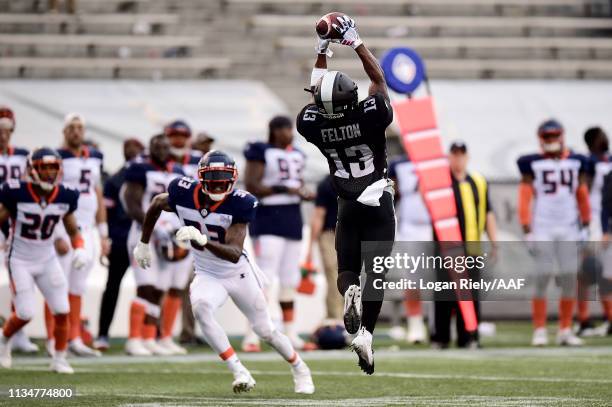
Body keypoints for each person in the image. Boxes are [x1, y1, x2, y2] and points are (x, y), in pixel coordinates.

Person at [132, 150, 314, 394]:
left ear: (233, 178)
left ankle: (300, 368)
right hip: (207, 272)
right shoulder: (183, 192)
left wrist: (203, 241)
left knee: (265, 330)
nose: (218, 183)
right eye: (213, 177)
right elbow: (156, 203)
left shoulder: (241, 202)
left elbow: (234, 252)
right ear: (201, 178)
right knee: (201, 308)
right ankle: (239, 370)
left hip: (238, 273)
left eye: (223, 178)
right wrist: (143, 243)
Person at [296, 14, 395, 374]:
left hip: (347, 204)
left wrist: (322, 48)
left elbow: (317, 91)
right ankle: (366, 333)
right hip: (378, 200)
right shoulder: (370, 114)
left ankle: (350, 291)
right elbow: (379, 80)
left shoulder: (312, 124)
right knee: (378, 273)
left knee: (346, 271)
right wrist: (354, 42)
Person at [0, 148, 89, 373]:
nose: (49, 172)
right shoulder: (16, 192)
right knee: (25, 313)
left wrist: (80, 248)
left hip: (47, 258)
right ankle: (3, 339)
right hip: (19, 259)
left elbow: (72, 229)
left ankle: (59, 358)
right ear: (32, 170)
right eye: (44, 167)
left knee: (62, 308)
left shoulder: (64, 195)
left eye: (53, 167)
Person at [242, 116, 315, 351]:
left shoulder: (298, 154)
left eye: (290, 129)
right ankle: (252, 334)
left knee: (290, 279)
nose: (289, 133)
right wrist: (284, 188)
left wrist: (302, 192)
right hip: (267, 217)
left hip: (292, 217)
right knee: (265, 277)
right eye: (284, 129)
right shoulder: (260, 150)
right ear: (274, 131)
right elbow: (252, 184)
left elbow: (299, 182)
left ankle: (290, 332)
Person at [517, 119, 588, 346]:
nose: (551, 141)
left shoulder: (577, 161)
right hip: (544, 227)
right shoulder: (532, 163)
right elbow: (524, 197)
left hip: (568, 227)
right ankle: (539, 329)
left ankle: (565, 329)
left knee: (569, 277)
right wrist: (527, 229)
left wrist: (586, 225)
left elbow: (582, 193)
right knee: (542, 276)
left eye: (554, 136)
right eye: (547, 137)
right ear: (540, 139)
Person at [46, 113, 109, 357]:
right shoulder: (56, 158)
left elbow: (98, 195)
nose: (75, 132)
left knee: (77, 286)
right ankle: (54, 339)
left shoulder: (93, 157)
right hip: (63, 226)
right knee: (56, 284)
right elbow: (48, 195)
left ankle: (72, 338)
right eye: (71, 127)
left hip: (87, 229)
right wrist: (53, 234)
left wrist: (103, 234)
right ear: (64, 131)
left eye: (79, 127)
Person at [122, 134, 186, 356]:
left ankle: (150, 338)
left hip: (168, 237)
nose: (161, 150)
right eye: (157, 146)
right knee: (145, 286)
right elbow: (131, 204)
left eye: (165, 146)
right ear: (150, 148)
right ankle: (133, 338)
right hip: (144, 236)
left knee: (159, 289)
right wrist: (154, 227)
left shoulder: (177, 170)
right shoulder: (139, 169)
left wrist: (176, 230)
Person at [430, 141, 497, 349]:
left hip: (472, 248)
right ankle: (440, 338)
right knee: (444, 293)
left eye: (461, 155)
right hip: (445, 247)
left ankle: (468, 336)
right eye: (454, 155)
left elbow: (488, 212)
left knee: (470, 295)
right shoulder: (441, 182)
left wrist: (495, 243)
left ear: (467, 157)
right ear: (449, 157)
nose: (458, 159)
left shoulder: (478, 181)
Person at [93, 138, 144, 351]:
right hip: (126, 238)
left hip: (137, 237)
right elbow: (107, 212)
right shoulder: (116, 180)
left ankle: (145, 335)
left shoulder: (143, 175)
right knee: (115, 287)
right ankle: (104, 334)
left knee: (147, 288)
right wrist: (108, 238)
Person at [0, 106, 39, 354]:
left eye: (6, 130)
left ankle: (18, 332)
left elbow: (30, 185)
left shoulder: (23, 155)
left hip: (14, 223)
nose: (3, 135)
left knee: (21, 280)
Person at [388, 155, 431, 344]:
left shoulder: (436, 161)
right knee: (412, 279)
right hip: (410, 228)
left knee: (444, 278)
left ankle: (445, 324)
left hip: (434, 226)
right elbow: (391, 193)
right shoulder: (399, 165)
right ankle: (415, 324)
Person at [305, 175, 343, 322]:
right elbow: (319, 215)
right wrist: (310, 247)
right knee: (335, 276)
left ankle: (343, 317)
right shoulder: (327, 184)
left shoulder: (360, 180)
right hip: (329, 234)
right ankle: (335, 318)